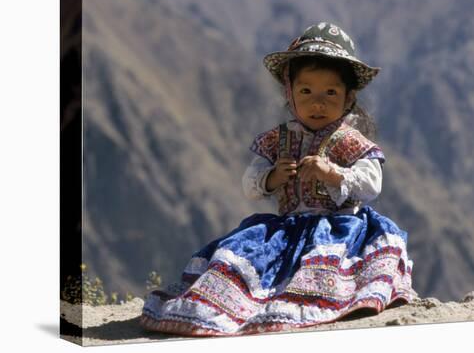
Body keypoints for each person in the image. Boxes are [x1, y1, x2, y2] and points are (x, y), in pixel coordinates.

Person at [139, 22, 416, 337]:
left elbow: (372, 184)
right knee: (242, 266)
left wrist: (334, 174)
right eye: (306, 91)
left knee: (324, 273)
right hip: (286, 230)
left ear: (349, 98)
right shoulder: (277, 141)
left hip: (340, 229)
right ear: (290, 93)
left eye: (330, 92)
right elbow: (250, 184)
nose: (318, 102)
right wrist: (271, 178)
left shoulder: (350, 141)